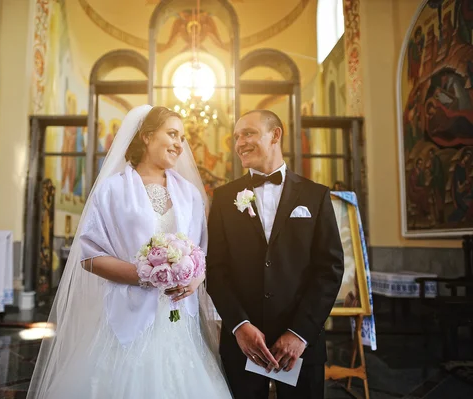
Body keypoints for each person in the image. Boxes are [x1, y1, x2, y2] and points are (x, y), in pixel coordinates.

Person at [27, 105, 232, 399]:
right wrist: (146, 274)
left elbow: (202, 253)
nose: (179, 144)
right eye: (172, 134)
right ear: (147, 137)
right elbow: (89, 255)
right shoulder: (112, 190)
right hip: (127, 312)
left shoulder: (190, 194)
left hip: (177, 318)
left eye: (182, 138)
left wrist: (194, 279)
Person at [207, 110, 344, 399]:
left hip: (301, 345)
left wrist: (299, 334)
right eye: (236, 137)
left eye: (248, 133)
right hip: (242, 344)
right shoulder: (223, 199)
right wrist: (240, 326)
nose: (239, 143)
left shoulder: (315, 196)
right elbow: (216, 270)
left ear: (275, 135)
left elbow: (328, 270)